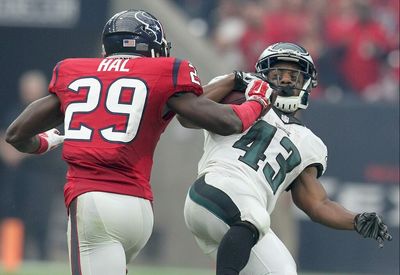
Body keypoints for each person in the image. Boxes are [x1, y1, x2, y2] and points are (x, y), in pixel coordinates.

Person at [5, 9, 272, 275]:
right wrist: (257, 102)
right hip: (139, 210)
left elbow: (16, 135)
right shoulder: (164, 73)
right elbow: (227, 122)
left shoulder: (74, 72)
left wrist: (45, 142)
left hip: (93, 203)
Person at [180, 42, 393, 275]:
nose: (286, 80)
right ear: (262, 75)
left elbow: (317, 203)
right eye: (278, 73)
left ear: (307, 83)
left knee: (283, 270)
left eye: (294, 75)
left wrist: (356, 219)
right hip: (215, 189)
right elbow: (188, 113)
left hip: (242, 224)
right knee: (256, 216)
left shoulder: (308, 141)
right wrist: (234, 79)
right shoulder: (237, 95)